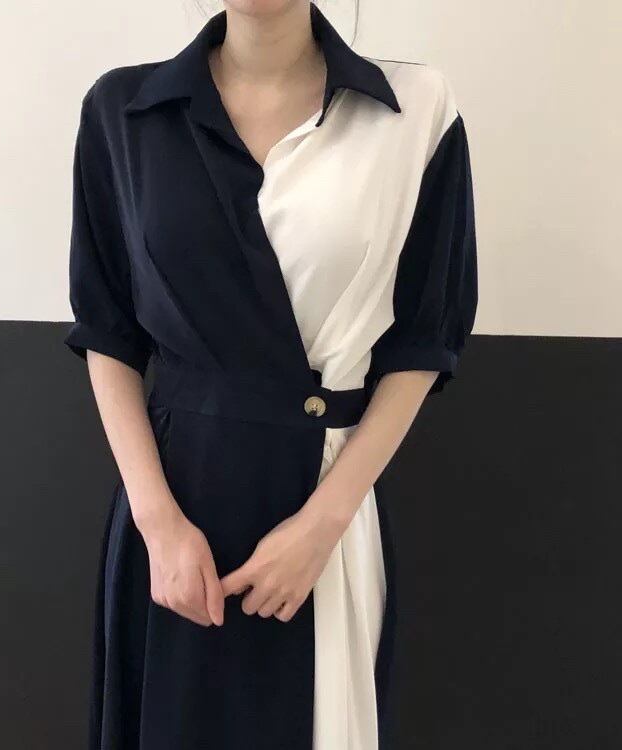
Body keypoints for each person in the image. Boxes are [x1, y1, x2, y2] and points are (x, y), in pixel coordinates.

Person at [63, 1, 478, 748]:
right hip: (175, 511)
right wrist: (159, 524)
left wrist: (323, 525)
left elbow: (424, 339)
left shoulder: (414, 109)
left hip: (326, 498)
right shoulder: (123, 111)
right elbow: (109, 334)